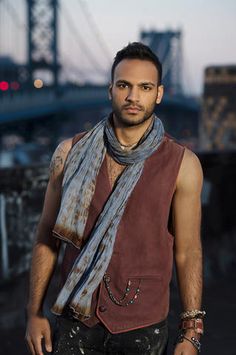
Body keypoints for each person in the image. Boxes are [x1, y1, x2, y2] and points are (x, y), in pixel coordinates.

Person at [25, 42, 205, 355]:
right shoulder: (68, 154)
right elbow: (46, 236)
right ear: (111, 89)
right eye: (124, 85)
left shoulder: (183, 164)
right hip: (73, 323)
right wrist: (34, 312)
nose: (134, 97)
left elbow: (188, 251)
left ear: (159, 94)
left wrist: (191, 333)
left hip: (143, 326)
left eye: (145, 87)